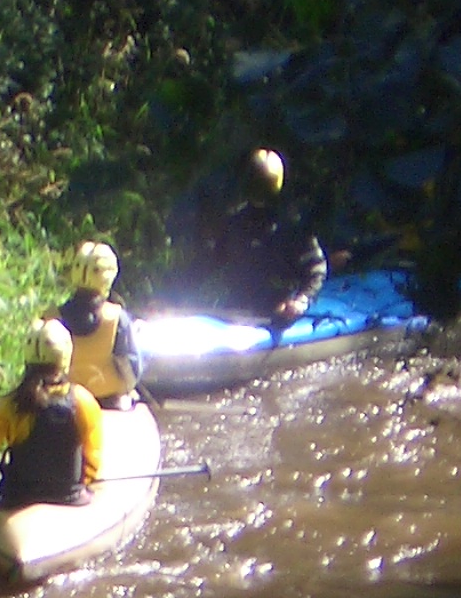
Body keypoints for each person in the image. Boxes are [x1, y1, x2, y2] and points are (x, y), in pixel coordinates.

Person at [0, 319, 106, 508]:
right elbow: (92, 460)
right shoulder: (83, 401)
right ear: (65, 358)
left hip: (18, 498)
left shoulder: (14, 404)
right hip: (70, 498)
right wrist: (86, 482)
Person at [172, 147, 328, 328]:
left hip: (278, 317)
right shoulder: (235, 224)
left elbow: (316, 270)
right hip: (239, 315)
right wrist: (170, 297)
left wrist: (301, 301)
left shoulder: (291, 228)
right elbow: (205, 264)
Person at [55, 240, 144, 407]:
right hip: (109, 402)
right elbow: (130, 371)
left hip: (62, 402)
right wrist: (129, 388)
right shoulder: (117, 318)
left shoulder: (52, 317)